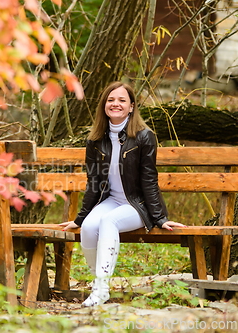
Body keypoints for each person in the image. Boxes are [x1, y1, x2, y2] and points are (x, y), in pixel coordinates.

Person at [59, 81, 186, 307]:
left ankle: (100, 288)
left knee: (109, 222)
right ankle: (100, 286)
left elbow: (149, 179)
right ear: (103, 106)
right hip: (112, 201)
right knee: (89, 227)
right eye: (110, 100)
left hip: (137, 205)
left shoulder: (145, 137)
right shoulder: (95, 140)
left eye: (121, 100)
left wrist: (159, 218)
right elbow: (94, 183)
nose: (115, 104)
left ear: (131, 106)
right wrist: (80, 219)